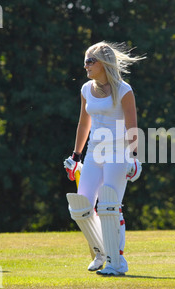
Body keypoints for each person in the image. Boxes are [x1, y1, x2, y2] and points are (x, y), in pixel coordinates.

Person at [63, 41, 145, 276]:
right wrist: (76, 155)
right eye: (85, 60)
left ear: (104, 63)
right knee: (80, 206)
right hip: (93, 153)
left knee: (109, 205)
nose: (85, 65)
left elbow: (132, 126)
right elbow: (83, 123)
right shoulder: (86, 89)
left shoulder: (124, 90)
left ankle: (116, 263)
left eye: (90, 61)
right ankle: (101, 252)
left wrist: (135, 158)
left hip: (118, 153)